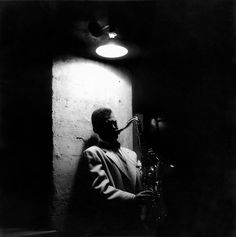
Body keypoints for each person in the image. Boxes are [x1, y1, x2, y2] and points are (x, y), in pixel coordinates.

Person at [67, 107, 154, 236]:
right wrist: (134, 199)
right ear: (97, 129)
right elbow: (101, 190)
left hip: (137, 224)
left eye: (115, 123)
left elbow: (139, 185)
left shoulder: (132, 154)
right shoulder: (93, 153)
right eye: (109, 124)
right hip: (113, 226)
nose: (114, 127)